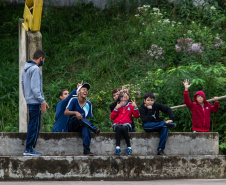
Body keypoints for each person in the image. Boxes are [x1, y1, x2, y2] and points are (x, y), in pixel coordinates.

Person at [21, 49, 49, 156]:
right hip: (35, 102)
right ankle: (29, 149)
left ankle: (29, 148)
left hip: (29, 100)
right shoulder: (35, 69)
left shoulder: (25, 69)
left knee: (32, 124)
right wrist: (42, 101)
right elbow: (35, 88)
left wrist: (27, 98)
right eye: (43, 60)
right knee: (35, 125)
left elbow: (23, 85)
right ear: (41, 58)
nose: (43, 62)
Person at [64, 83, 100, 156]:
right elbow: (66, 112)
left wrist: (82, 122)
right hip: (72, 124)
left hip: (82, 124)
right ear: (78, 92)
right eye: (83, 89)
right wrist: (76, 112)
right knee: (77, 117)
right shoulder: (74, 100)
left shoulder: (88, 104)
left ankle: (86, 150)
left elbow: (86, 118)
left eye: (87, 90)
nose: (85, 91)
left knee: (86, 129)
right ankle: (94, 128)